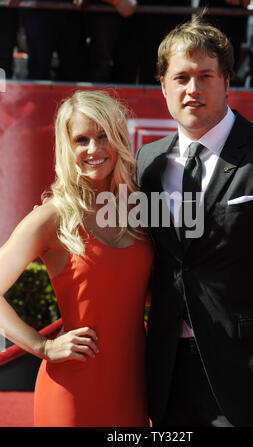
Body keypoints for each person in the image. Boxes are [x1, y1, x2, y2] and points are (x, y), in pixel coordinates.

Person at [135, 14, 253, 427]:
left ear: (227, 80)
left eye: (206, 75)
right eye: (181, 77)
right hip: (167, 378)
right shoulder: (147, 162)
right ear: (163, 86)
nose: (193, 89)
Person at [0, 90, 153, 426]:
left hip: (135, 386)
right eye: (81, 139)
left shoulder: (139, 208)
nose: (94, 149)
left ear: (119, 139)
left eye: (103, 137)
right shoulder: (52, 217)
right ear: (66, 147)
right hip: (72, 389)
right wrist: (42, 347)